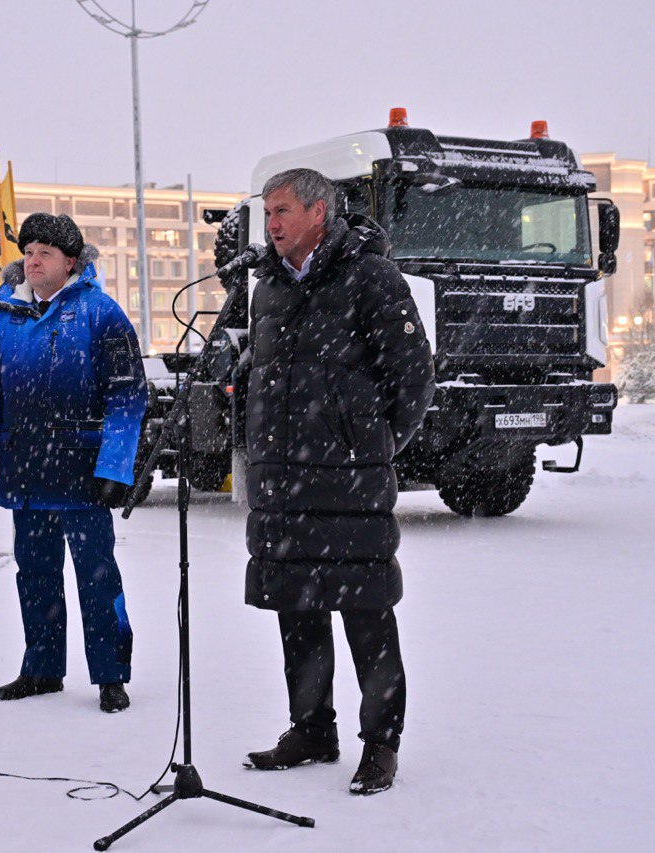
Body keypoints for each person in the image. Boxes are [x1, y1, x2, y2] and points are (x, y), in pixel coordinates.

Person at [241, 168, 436, 793]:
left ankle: (381, 743)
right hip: (282, 482)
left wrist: (370, 445)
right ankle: (311, 728)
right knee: (296, 607)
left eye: (282, 211)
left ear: (319, 213)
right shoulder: (266, 286)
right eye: (267, 213)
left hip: (349, 482)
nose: (270, 224)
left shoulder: (370, 275)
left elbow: (412, 376)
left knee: (366, 614)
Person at [0, 212, 147, 714]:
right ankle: (42, 669)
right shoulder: (3, 321)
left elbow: (127, 397)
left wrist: (115, 468)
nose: (33, 259)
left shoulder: (101, 314)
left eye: (45, 251)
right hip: (27, 473)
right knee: (35, 575)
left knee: (97, 577)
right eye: (28, 251)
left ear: (70, 262)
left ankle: (110, 675)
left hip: (83, 475)